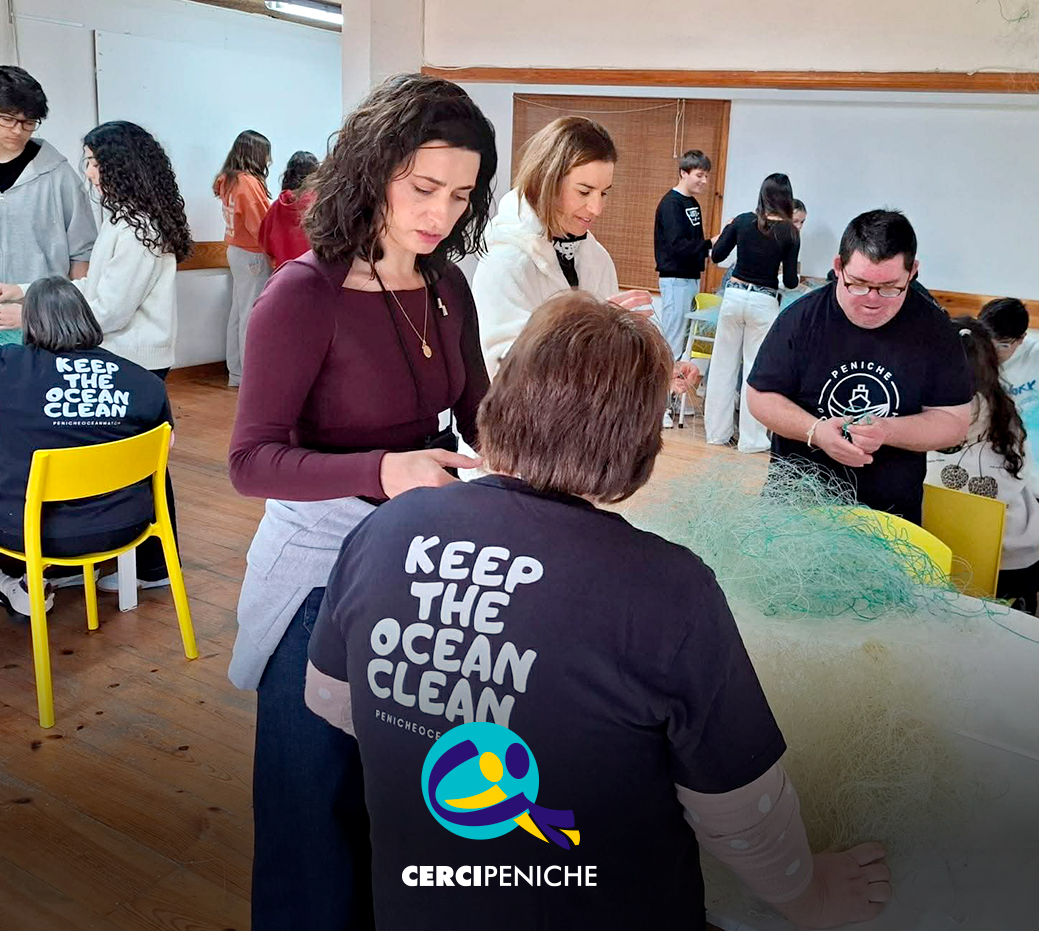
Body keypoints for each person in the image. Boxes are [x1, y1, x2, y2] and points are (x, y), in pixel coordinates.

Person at [304, 292, 891, 931]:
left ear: (503, 396)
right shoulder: (668, 588)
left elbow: (335, 699)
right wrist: (810, 898)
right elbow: (740, 808)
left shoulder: (385, 529)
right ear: (640, 443)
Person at [227, 74, 498, 931]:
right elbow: (251, 462)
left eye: (460, 195)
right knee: (314, 821)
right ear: (374, 169)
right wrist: (382, 470)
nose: (441, 213)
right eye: (423, 189)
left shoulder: (447, 287)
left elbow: (480, 413)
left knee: (405, 807)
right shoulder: (301, 296)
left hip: (420, 569)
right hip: (320, 578)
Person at [0, 121, 192, 591]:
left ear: (120, 166)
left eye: (95, 162)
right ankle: (117, 560)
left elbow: (107, 310)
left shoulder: (140, 230)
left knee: (140, 466)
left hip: (134, 361)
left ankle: (151, 568)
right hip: (124, 357)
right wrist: (26, 290)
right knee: (130, 464)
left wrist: (30, 317)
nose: (90, 173)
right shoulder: (125, 221)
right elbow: (92, 289)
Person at [0, 277, 173, 616]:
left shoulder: (7, 368)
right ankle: (57, 575)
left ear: (29, 323)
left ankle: (25, 583)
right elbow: (164, 445)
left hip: (35, 532)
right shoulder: (144, 381)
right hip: (125, 525)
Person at [747, 210, 971, 525]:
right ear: (838, 267)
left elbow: (954, 421)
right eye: (859, 284)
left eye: (891, 288)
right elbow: (760, 396)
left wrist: (888, 430)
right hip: (796, 511)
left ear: (913, 272)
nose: (872, 299)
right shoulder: (800, 320)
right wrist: (816, 432)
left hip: (888, 519)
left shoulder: (934, 330)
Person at [470, 116, 697, 421]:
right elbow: (504, 371)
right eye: (584, 191)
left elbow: (605, 366)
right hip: (520, 443)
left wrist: (655, 370)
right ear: (546, 181)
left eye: (604, 193)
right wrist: (596, 333)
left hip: (582, 443)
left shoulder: (595, 257)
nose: (597, 208)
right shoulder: (505, 262)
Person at [0, 66, 97, 322]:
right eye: (7, 119)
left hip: (39, 319)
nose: (17, 130)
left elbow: (83, 254)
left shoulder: (60, 175)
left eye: (29, 122)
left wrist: (71, 318)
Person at [927, 318, 1039, 614]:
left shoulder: (921, 413)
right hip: (1014, 552)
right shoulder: (1006, 411)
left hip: (942, 549)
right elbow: (1026, 473)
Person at [704, 173, 800, 453]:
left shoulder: (742, 221)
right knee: (756, 371)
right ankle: (752, 440)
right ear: (787, 199)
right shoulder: (790, 233)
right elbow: (792, 281)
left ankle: (716, 434)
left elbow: (717, 256)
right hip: (764, 302)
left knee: (723, 367)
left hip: (733, 297)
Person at [215, 130, 272, 387]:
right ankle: (252, 376)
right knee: (251, 314)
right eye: (266, 154)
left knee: (238, 313)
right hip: (252, 254)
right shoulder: (247, 182)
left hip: (236, 251)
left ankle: (237, 373)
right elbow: (261, 223)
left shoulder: (227, 179)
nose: (269, 160)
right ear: (255, 154)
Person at [654, 149, 712, 358]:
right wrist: (708, 244)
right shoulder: (671, 203)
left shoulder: (693, 203)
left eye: (706, 175)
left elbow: (694, 242)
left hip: (691, 277)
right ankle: (665, 388)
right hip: (675, 279)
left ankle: (676, 387)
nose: (704, 181)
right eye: (699, 175)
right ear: (683, 173)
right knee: (672, 338)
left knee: (684, 337)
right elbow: (676, 246)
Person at [978, 297, 1039, 495]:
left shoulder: (1034, 356)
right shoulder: (970, 349)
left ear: (1021, 339)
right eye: (988, 341)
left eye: (1003, 345)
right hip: (990, 448)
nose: (993, 351)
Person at [259, 150, 319, 270]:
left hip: (284, 273)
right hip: (313, 272)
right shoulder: (318, 205)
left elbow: (265, 243)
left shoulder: (277, 206)